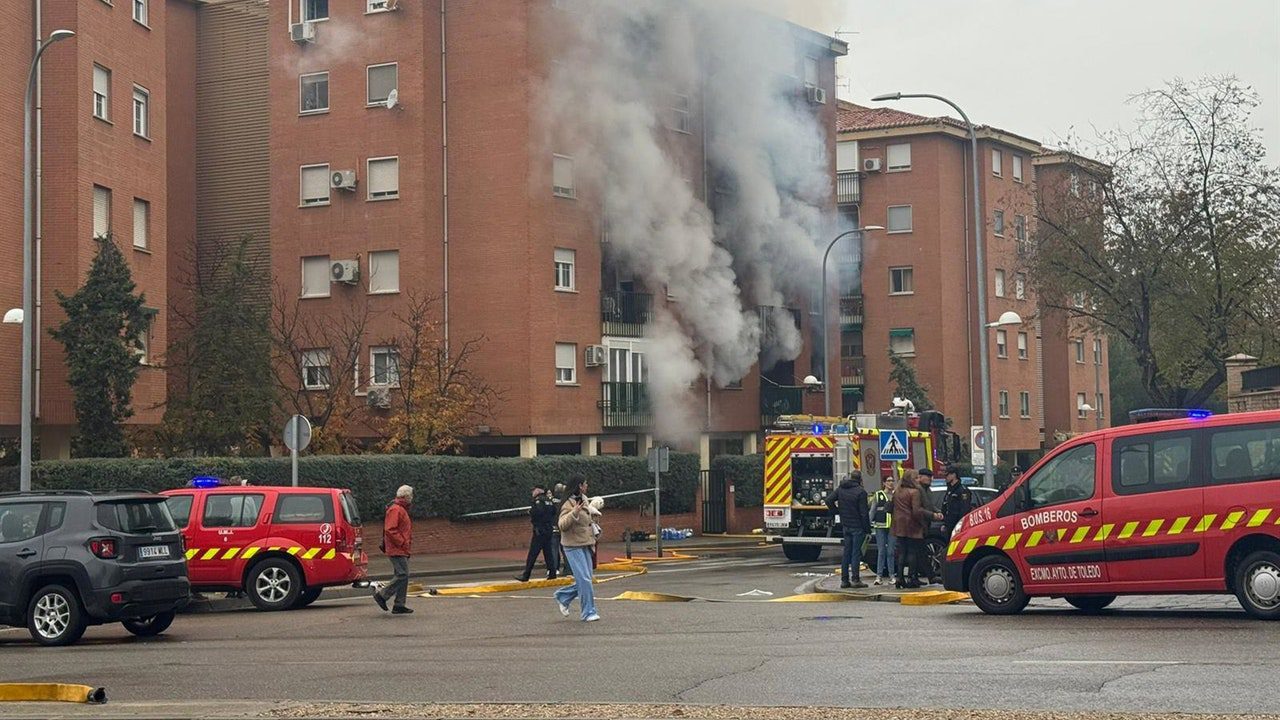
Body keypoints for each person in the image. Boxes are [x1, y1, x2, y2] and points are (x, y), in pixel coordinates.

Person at [554, 476, 600, 622]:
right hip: (572, 546)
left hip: (585, 543)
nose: (587, 485)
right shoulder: (567, 503)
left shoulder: (584, 498)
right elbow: (562, 524)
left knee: (587, 579)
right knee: (585, 579)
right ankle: (588, 612)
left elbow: (586, 519)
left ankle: (563, 596)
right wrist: (573, 512)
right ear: (580, 485)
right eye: (585, 483)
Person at [372, 485, 414, 614]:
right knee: (403, 574)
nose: (412, 498)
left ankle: (399, 605)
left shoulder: (399, 509)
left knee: (402, 576)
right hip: (397, 548)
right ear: (406, 496)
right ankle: (383, 595)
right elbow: (390, 529)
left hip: (401, 548)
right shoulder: (396, 509)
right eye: (411, 496)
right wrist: (402, 542)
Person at [825, 474, 870, 589]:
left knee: (846, 553)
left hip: (846, 525)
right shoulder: (861, 492)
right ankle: (855, 579)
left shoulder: (841, 489)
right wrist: (867, 529)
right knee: (856, 553)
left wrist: (837, 512)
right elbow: (864, 513)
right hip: (858, 526)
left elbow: (828, 500)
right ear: (860, 479)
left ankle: (844, 580)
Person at [515, 484, 559, 582]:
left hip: (540, 530)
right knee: (548, 553)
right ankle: (552, 574)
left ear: (539, 490)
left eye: (533, 490)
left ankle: (526, 575)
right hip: (549, 529)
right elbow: (554, 512)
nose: (532, 492)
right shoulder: (549, 500)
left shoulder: (538, 501)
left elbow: (537, 513)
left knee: (533, 554)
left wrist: (531, 512)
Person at [892, 471, 928, 589]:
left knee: (902, 552)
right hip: (911, 524)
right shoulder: (915, 492)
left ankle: (899, 577)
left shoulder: (897, 491)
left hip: (899, 524)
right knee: (912, 551)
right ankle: (912, 577)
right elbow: (916, 511)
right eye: (916, 477)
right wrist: (923, 523)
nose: (918, 480)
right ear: (911, 479)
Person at [869, 476, 896, 585]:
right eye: (888, 481)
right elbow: (872, 510)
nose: (891, 483)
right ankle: (879, 576)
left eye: (892, 481)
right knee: (881, 551)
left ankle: (892, 575)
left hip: (893, 527)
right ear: (884, 483)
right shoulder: (878, 495)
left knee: (891, 552)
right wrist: (867, 524)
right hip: (880, 526)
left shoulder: (895, 495)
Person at [941, 466, 973, 537]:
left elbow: (964, 510)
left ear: (954, 475)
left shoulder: (962, 490)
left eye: (947, 475)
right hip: (949, 525)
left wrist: (959, 526)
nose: (945, 478)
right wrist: (945, 523)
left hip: (957, 526)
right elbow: (946, 507)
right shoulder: (950, 490)